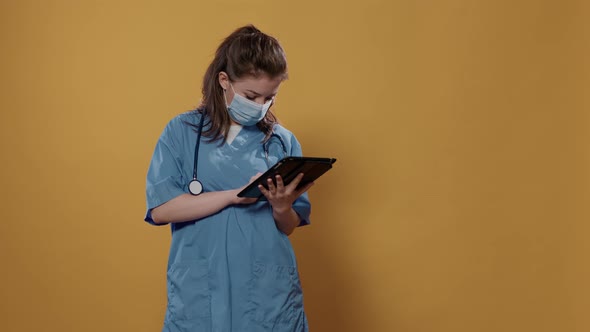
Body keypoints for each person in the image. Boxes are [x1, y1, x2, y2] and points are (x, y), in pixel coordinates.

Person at [144, 24, 313, 332]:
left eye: (269, 98)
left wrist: (281, 207)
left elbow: (288, 226)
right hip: (202, 288)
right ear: (225, 80)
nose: (261, 107)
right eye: (252, 95)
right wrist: (232, 195)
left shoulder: (281, 142)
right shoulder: (181, 133)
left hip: (267, 294)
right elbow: (161, 209)